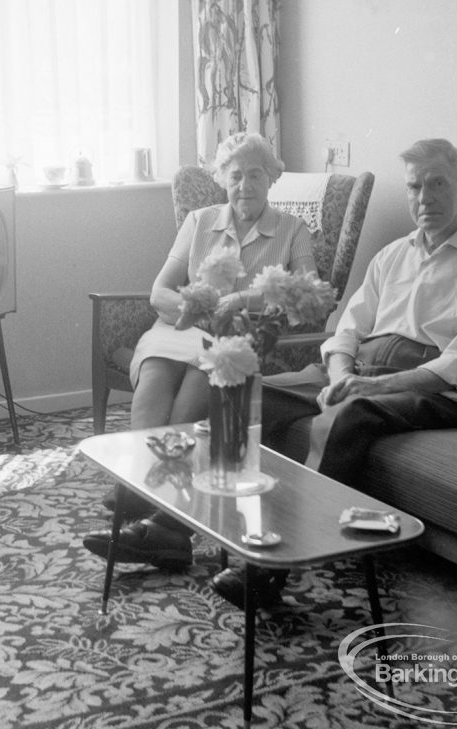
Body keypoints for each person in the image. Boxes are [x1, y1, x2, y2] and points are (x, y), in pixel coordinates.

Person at [92, 138, 457, 611]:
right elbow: (346, 331)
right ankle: (175, 531)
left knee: (344, 416)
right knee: (238, 394)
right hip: (353, 369)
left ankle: (269, 570)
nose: (425, 199)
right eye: (415, 187)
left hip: (426, 385)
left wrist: (370, 385)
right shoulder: (393, 255)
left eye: (438, 184)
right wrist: (342, 371)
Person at [84, 131, 317, 567]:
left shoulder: (292, 230)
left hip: (235, 338)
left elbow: (308, 290)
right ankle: (149, 498)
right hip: (178, 325)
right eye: (235, 176)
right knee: (153, 380)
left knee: (189, 402)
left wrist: (240, 303)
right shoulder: (199, 220)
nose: (244, 185)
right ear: (222, 180)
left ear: (271, 180)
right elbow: (160, 291)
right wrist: (194, 310)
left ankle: (163, 523)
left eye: (255, 175)